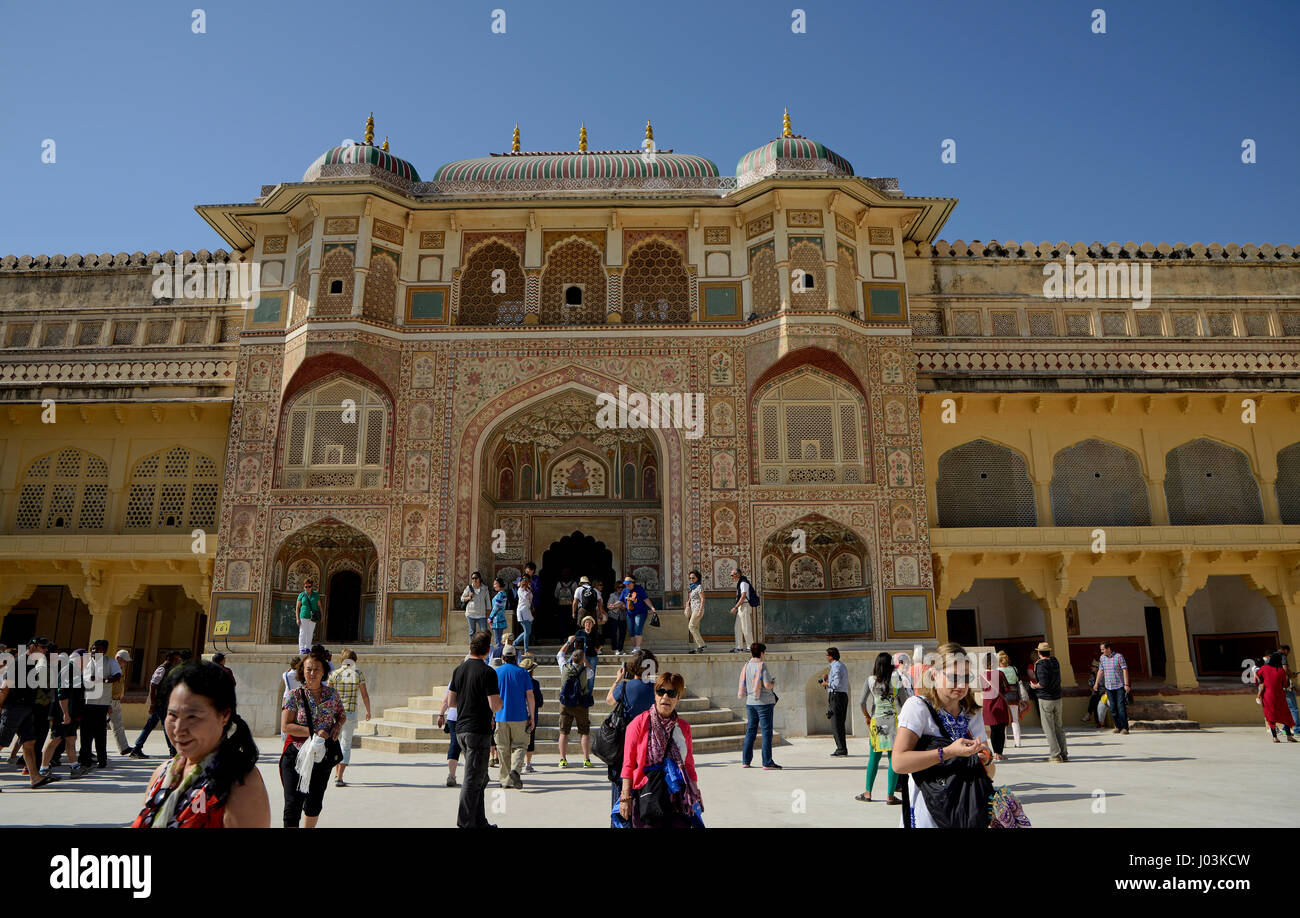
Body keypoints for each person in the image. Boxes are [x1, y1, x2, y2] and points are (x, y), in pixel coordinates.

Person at [130, 661, 270, 827]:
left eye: (192, 717)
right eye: (173, 715)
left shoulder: (240, 783)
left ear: (224, 716)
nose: (179, 729)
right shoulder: (161, 775)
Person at [891, 642, 995, 828]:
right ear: (934, 675)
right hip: (928, 810)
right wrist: (947, 752)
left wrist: (984, 758)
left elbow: (990, 771)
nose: (962, 684)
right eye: (954, 677)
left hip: (966, 810)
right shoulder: (918, 708)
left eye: (966, 677)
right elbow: (899, 763)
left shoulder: (972, 713)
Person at [618, 671, 703, 828]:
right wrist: (625, 797)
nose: (665, 697)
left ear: (678, 698)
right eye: (661, 691)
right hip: (648, 793)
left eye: (671, 693)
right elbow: (628, 764)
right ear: (655, 695)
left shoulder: (683, 727)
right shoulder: (638, 724)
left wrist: (695, 792)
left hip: (678, 795)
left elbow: (689, 764)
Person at [279, 649, 345, 828]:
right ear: (302, 672)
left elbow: (341, 714)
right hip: (297, 755)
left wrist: (337, 726)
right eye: (308, 669)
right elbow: (287, 726)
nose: (312, 673)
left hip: (321, 756)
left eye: (316, 669)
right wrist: (315, 731)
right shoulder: (295, 696)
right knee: (292, 805)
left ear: (324, 671)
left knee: (314, 802)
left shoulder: (332, 695)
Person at [444, 631, 501, 828]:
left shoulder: (458, 670)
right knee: (472, 779)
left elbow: (451, 702)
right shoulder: (488, 672)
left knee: (479, 778)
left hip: (461, 729)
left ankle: (479, 821)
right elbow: (494, 705)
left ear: (471, 648)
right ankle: (465, 823)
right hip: (478, 731)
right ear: (487, 650)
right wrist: (499, 703)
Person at [606, 650, 659, 823]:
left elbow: (609, 701)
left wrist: (618, 680)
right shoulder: (656, 691)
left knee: (621, 791)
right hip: (649, 750)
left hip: (623, 748)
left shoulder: (624, 687)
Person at [0, 640, 59, 788]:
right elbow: (6, 686)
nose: (45, 650)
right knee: (1, 742)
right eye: (42, 647)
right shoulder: (19, 662)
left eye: (46, 648)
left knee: (29, 742)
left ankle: (35, 778)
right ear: (32, 647)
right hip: (14, 707)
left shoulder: (35, 663)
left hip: (27, 708)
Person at [857, 651, 907, 804]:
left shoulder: (871, 680)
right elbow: (904, 701)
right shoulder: (896, 679)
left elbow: (861, 702)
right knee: (893, 757)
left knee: (874, 757)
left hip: (877, 722)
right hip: (894, 721)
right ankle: (890, 796)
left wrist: (867, 716)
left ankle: (868, 792)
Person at [492, 644, 536, 789]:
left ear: (503, 658)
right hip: (520, 715)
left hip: (500, 715)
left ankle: (505, 780)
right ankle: (515, 770)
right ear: (516, 657)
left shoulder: (497, 672)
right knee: (520, 746)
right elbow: (530, 696)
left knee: (503, 748)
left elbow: (491, 696)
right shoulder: (523, 672)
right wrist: (532, 717)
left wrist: (491, 715)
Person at [327, 649, 372, 787]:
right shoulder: (358, 674)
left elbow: (328, 695)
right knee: (345, 744)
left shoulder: (334, 674)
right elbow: (365, 695)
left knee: (336, 742)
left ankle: (336, 774)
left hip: (336, 713)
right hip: (350, 713)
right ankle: (339, 777)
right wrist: (368, 711)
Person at [41, 649, 89, 779]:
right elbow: (62, 694)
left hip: (72, 713)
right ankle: (43, 769)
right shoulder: (69, 670)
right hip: (62, 713)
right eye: (86, 658)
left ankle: (75, 767)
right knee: (55, 739)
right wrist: (65, 714)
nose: (88, 661)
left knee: (71, 739)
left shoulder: (77, 671)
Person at [130, 651, 181, 758]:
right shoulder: (162, 669)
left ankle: (137, 748)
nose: (177, 661)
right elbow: (153, 686)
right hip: (159, 703)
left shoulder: (170, 669)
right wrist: (153, 703)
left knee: (150, 725)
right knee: (167, 725)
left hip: (163, 702)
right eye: (176, 659)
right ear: (169, 658)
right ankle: (173, 751)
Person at [77, 639, 119, 771]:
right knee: (85, 733)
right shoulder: (87, 662)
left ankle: (102, 759)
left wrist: (104, 680)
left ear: (105, 651)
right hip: (86, 702)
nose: (95, 651)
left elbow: (117, 676)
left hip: (101, 704)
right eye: (93, 649)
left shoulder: (110, 662)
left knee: (100, 733)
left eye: (98, 649)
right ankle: (85, 759)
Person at [738, 642, 779, 769]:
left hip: (750, 701)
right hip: (764, 702)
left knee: (751, 730)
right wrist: (773, 682)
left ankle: (746, 761)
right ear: (762, 653)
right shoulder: (762, 665)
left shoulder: (747, 665)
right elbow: (767, 685)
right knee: (766, 732)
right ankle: (767, 762)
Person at [556, 641, 595, 768]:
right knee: (584, 732)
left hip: (565, 703)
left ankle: (562, 759)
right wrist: (585, 661)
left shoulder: (564, 667)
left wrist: (568, 642)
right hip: (581, 703)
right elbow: (591, 670)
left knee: (563, 732)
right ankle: (586, 759)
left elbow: (560, 654)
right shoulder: (586, 671)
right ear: (582, 659)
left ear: (572, 658)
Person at [1028, 641, 1068, 763]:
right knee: (1059, 726)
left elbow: (1043, 683)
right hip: (1057, 698)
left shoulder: (1040, 664)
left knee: (1049, 728)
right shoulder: (1055, 661)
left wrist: (1034, 686)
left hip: (1045, 699)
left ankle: (1055, 754)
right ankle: (1064, 753)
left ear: (1039, 652)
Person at [1257, 653, 1296, 742]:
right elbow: (1285, 684)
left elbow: (1258, 676)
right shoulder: (1281, 671)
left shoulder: (1264, 668)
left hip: (1268, 695)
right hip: (1280, 695)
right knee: (1285, 714)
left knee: (1270, 715)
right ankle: (1289, 736)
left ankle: (1275, 737)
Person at [438, 661, 466, 787]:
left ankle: (452, 775)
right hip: (468, 716)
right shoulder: (476, 677)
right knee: (470, 746)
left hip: (453, 717)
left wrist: (441, 714)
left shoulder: (454, 680)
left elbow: (446, 700)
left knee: (454, 745)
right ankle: (474, 775)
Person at [1094, 641, 1131, 735]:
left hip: (1119, 686)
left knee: (1121, 707)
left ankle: (1124, 728)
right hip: (1109, 687)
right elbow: (1100, 671)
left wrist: (1126, 684)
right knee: (1113, 708)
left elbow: (1124, 670)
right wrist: (1096, 683)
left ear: (1108, 648)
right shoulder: (1102, 658)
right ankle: (1118, 726)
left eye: (1103, 649)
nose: (1102, 651)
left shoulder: (1119, 656)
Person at [821, 647, 850, 756]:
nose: (826, 657)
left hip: (837, 696)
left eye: (827, 655)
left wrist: (826, 684)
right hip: (840, 696)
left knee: (836, 723)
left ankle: (841, 749)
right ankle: (842, 748)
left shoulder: (836, 666)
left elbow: (836, 684)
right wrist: (828, 677)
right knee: (839, 723)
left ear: (831, 656)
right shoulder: (838, 665)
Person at [980, 662, 1012, 761]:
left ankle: (995, 753)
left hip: (988, 704)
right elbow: (1007, 688)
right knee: (1001, 729)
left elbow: (983, 688)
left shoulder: (982, 675)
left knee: (993, 730)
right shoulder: (1000, 674)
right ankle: (1000, 753)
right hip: (999, 702)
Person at [618, 574, 657, 653]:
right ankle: (635, 648)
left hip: (640, 612)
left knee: (637, 628)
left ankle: (638, 647)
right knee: (631, 631)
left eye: (628, 583)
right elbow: (620, 601)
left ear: (633, 583)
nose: (627, 585)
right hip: (629, 614)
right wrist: (613, 605)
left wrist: (652, 608)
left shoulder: (639, 589)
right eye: (626, 584)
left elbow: (646, 599)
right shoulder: (624, 591)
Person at [519, 654, 543, 774]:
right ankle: (527, 764)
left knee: (518, 740)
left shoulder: (517, 682)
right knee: (530, 739)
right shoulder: (535, 683)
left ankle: (518, 763)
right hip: (531, 715)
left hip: (518, 714)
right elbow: (540, 702)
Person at [997, 651, 1025, 748]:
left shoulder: (998, 670)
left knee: (1003, 721)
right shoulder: (1014, 669)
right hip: (1014, 696)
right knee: (1015, 720)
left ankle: (1003, 743)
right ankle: (1018, 742)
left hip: (1003, 697)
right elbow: (1018, 681)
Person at [110, 649, 133, 756]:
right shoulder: (112, 669)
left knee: (118, 725)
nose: (125, 663)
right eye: (124, 660)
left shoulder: (120, 668)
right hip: (109, 701)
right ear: (119, 659)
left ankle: (123, 747)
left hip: (116, 700)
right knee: (97, 727)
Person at [728, 568, 756, 653]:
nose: (731, 577)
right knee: (738, 627)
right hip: (741, 606)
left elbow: (743, 596)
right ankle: (739, 647)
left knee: (746, 627)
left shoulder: (743, 583)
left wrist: (735, 607)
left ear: (738, 574)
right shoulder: (740, 583)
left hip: (745, 606)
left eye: (732, 575)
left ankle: (750, 647)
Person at [461, 571, 490, 640]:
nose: (474, 580)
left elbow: (488, 601)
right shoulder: (469, 588)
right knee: (472, 633)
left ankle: (484, 649)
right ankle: (472, 649)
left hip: (481, 614)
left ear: (479, 578)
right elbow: (462, 598)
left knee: (484, 633)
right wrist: (469, 597)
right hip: (471, 613)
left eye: (476, 578)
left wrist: (488, 611)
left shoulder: (485, 589)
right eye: (473, 578)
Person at [296, 578, 322, 654]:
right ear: (304, 587)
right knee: (302, 632)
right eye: (306, 587)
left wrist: (322, 615)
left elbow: (320, 606)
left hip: (313, 616)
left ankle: (307, 648)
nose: (308, 588)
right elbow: (297, 607)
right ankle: (301, 649)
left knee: (310, 632)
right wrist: (297, 618)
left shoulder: (315, 595)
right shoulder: (301, 595)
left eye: (309, 586)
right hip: (303, 615)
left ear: (312, 586)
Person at [603, 578, 628, 654]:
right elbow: (608, 606)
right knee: (613, 633)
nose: (620, 589)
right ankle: (615, 648)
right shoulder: (613, 595)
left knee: (622, 633)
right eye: (619, 587)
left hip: (623, 616)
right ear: (616, 588)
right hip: (614, 616)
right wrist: (617, 607)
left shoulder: (626, 595)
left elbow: (627, 606)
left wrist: (617, 606)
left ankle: (620, 649)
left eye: (622, 587)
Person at [685, 570, 707, 654]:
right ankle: (697, 648)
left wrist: (700, 610)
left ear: (697, 578)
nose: (691, 580)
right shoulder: (692, 588)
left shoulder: (699, 587)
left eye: (693, 578)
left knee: (691, 626)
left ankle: (701, 644)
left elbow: (702, 599)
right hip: (694, 609)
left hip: (698, 609)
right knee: (696, 628)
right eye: (690, 578)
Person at [279, 655, 301, 739]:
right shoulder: (300, 675)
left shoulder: (285, 675)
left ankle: (284, 737)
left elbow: (285, 672)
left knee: (285, 718)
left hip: (287, 697)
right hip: (297, 697)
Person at [1279, 645, 1300, 731]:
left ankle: (1285, 729)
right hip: (1286, 686)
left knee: (1285, 708)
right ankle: (1297, 729)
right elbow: (1285, 669)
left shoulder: (1273, 658)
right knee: (1293, 708)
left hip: (1278, 686)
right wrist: (1292, 674)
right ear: (1286, 650)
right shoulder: (1283, 656)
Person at [488, 578, 510, 650]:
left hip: (497, 618)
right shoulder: (503, 593)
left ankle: (499, 656)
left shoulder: (500, 594)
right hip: (500, 617)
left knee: (498, 641)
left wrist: (490, 617)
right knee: (499, 640)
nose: (494, 586)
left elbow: (496, 607)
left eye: (495, 584)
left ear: (499, 584)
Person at [514, 576, 534, 652]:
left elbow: (530, 599)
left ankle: (514, 643)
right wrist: (526, 588)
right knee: (526, 631)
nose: (525, 582)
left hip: (528, 612)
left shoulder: (528, 589)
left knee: (528, 631)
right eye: (524, 580)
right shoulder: (520, 590)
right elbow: (525, 596)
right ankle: (526, 649)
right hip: (522, 612)